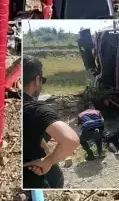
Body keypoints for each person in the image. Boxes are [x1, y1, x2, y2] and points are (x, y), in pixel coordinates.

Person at [22, 55, 79, 188]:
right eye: (42, 80)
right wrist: (49, 161)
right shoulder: (36, 110)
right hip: (37, 180)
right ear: (37, 80)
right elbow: (71, 140)